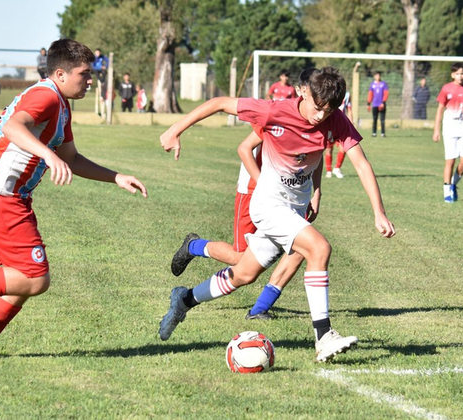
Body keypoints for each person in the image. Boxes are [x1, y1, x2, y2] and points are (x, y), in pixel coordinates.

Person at [0, 39, 147, 359]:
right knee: (35, 277)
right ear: (60, 73)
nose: (90, 80)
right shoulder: (46, 96)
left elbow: (70, 157)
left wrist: (116, 177)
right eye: (85, 74)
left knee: (19, 278)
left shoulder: (61, 103)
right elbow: (14, 127)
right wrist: (47, 156)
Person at [159, 67, 396, 362]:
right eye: (318, 107)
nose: (322, 116)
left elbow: (360, 163)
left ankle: (184, 299)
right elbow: (219, 103)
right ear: (304, 92)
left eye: (330, 109)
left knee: (243, 274)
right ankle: (323, 336)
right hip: (268, 206)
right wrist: (174, 130)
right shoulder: (273, 111)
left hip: (295, 208)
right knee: (319, 248)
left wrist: (379, 211)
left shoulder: (335, 119)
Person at [171, 68, 319, 321]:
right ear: (300, 91)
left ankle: (260, 308)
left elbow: (314, 155)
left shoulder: (317, 119)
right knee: (241, 259)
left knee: (304, 248)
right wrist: (264, 187)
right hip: (254, 190)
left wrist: (316, 192)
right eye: (309, 90)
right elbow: (245, 148)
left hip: (289, 195)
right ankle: (194, 246)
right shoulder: (280, 113)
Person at [432, 62, 463, 203]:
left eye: (462, 73)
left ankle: (453, 184)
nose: (460, 76)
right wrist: (436, 130)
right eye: (457, 73)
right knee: (450, 161)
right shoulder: (446, 89)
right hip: (450, 129)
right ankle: (447, 193)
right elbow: (440, 109)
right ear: (452, 75)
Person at [325, 91, 353, 179]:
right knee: (329, 148)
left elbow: (349, 109)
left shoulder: (347, 95)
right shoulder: (330, 93)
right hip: (330, 125)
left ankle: (337, 168)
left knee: (343, 148)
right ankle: (328, 170)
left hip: (341, 126)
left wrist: (351, 124)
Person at [367, 71, 389, 137]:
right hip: (375, 105)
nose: (378, 77)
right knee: (374, 119)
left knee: (382, 120)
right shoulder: (372, 85)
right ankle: (374, 133)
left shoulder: (384, 84)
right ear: (374, 76)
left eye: (379, 75)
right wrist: (368, 103)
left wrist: (383, 102)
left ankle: (382, 133)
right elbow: (370, 94)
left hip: (382, 105)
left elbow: (386, 94)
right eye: (376, 75)